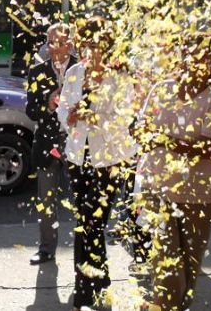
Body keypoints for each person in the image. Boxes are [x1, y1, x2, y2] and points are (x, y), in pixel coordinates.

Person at [136, 32, 211, 311]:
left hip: (199, 192)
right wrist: (151, 135)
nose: (198, 60)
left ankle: (174, 305)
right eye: (192, 53)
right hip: (158, 185)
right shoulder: (162, 88)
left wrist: (163, 139)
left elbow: (208, 146)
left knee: (190, 264)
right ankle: (164, 305)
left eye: (207, 55)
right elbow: (141, 128)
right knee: (164, 255)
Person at [57, 16, 136, 310]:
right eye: (85, 44)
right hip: (78, 157)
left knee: (94, 223)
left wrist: (97, 118)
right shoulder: (75, 72)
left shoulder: (120, 75)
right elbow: (62, 111)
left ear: (108, 44)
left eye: (96, 44)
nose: (90, 50)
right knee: (84, 222)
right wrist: (72, 116)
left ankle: (89, 287)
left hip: (109, 160)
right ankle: (93, 284)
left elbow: (126, 118)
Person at [26, 23, 77, 266]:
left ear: (70, 43)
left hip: (77, 145)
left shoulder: (82, 70)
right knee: (46, 201)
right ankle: (46, 249)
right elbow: (31, 112)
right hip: (47, 146)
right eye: (50, 42)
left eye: (60, 42)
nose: (54, 47)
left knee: (82, 200)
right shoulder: (37, 72)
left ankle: (85, 250)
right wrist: (47, 105)